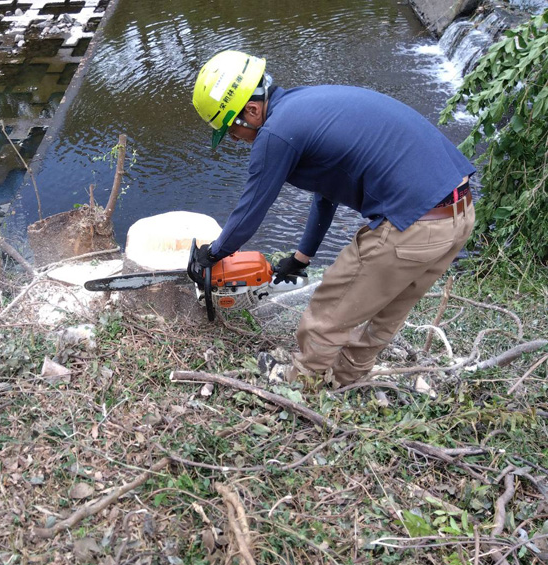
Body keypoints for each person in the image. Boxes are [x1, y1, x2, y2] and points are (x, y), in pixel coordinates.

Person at [191, 50, 476, 388]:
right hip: (457, 213)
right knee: (389, 314)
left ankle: (301, 383)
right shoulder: (307, 106)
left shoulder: (276, 134)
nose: (236, 141)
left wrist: (214, 253)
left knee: (328, 311)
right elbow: (327, 195)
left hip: (412, 223)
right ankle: (347, 379)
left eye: (233, 131)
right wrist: (301, 258)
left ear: (251, 111)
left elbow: (251, 211)